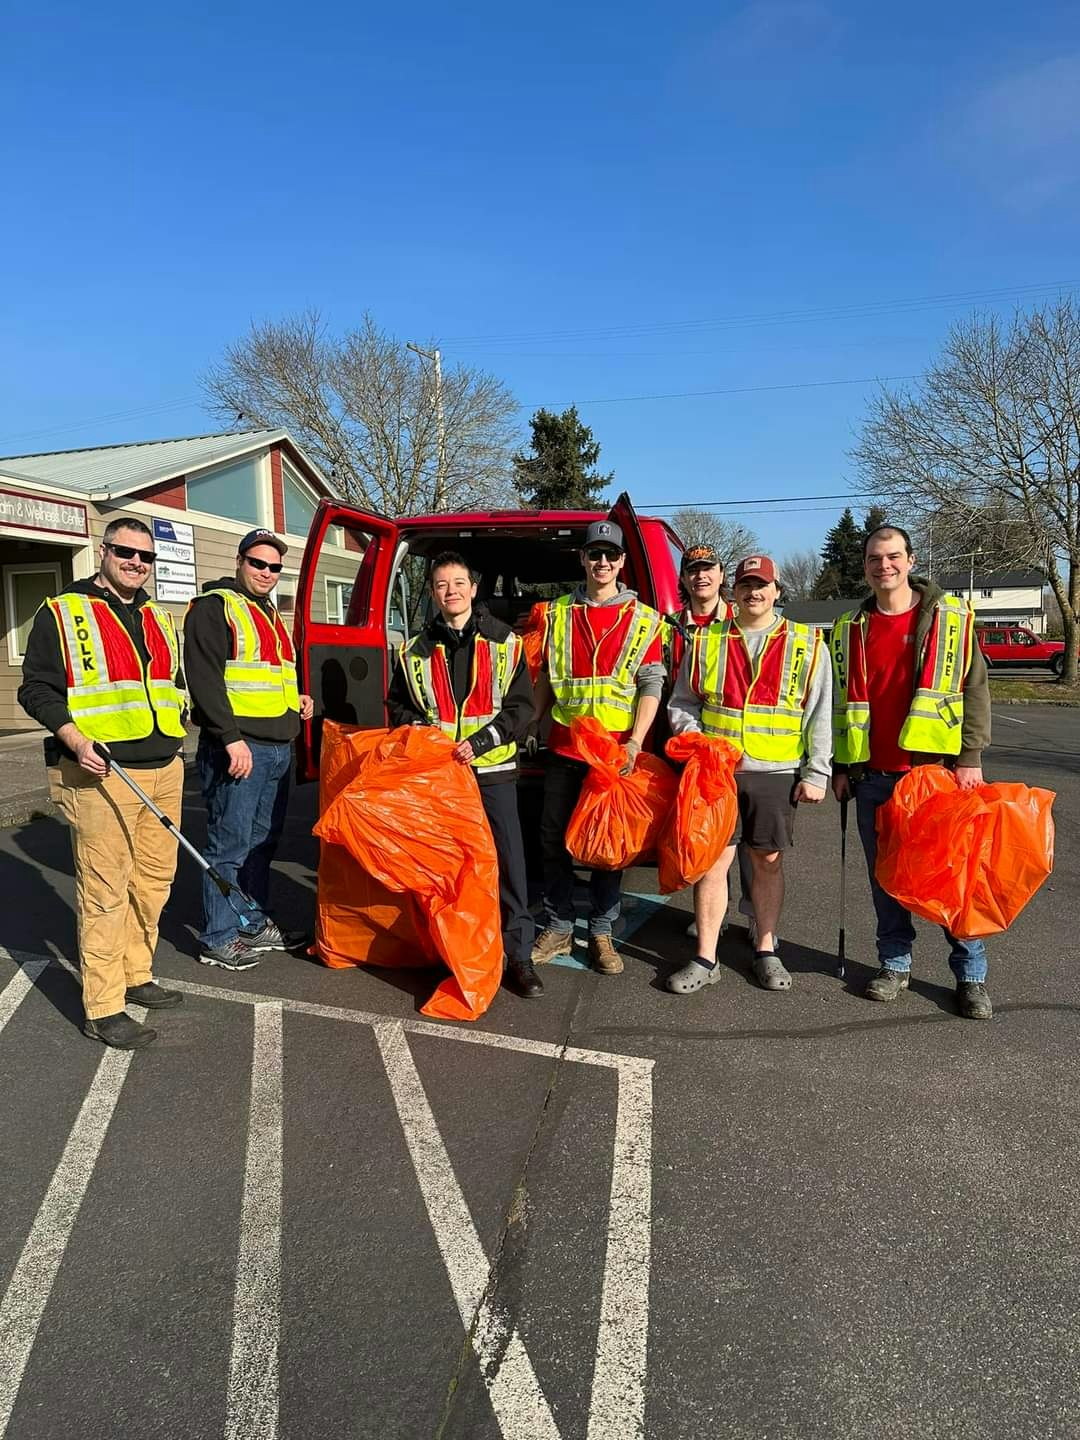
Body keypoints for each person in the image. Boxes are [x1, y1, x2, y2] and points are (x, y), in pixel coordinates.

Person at [17, 517, 186, 1048]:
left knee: (154, 883)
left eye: (145, 555)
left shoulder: (158, 615)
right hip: (101, 772)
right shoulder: (64, 612)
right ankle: (104, 1006)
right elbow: (36, 689)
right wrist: (75, 739)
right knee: (105, 890)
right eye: (125, 551)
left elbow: (171, 684)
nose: (136, 562)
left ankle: (137, 974)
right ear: (103, 551)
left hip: (165, 766)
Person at [830, 525, 993, 1020]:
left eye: (894, 556)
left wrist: (970, 758)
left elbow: (976, 689)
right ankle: (895, 965)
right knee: (886, 880)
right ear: (865, 566)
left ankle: (971, 977)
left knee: (949, 880)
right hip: (871, 776)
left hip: (934, 775)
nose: (885, 566)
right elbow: (841, 703)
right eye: (876, 559)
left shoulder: (949, 619)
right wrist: (842, 766)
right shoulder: (848, 628)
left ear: (911, 559)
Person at [667, 554, 831, 994]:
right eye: (745, 585)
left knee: (767, 864)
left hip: (775, 774)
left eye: (762, 585)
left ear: (777, 591)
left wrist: (817, 773)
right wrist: (696, 739)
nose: (753, 592)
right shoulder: (706, 641)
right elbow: (682, 703)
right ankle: (705, 957)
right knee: (712, 865)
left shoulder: (807, 643)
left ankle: (765, 949)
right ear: (732, 591)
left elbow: (819, 716)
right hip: (717, 774)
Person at [387, 551, 542, 999]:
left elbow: (521, 709)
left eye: (458, 583)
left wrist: (483, 740)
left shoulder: (505, 642)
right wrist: (417, 728)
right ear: (433, 593)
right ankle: (453, 955)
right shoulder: (413, 648)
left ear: (473, 589)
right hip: (440, 780)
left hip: (492, 772)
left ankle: (519, 958)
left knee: (508, 866)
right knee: (447, 871)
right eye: (441, 585)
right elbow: (398, 705)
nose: (451, 591)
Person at [530, 520, 665, 976]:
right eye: (594, 554)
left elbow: (651, 683)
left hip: (612, 756)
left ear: (622, 562)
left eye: (610, 555)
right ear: (582, 559)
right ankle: (559, 923)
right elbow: (550, 676)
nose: (602, 562)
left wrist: (634, 741)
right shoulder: (558, 613)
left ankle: (603, 931)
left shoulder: (643, 619)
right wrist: (532, 720)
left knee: (610, 845)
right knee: (553, 841)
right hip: (565, 748)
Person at [183, 529, 314, 970]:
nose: (267, 572)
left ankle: (251, 922)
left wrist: (295, 700)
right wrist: (230, 737)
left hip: (277, 746)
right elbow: (205, 680)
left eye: (274, 567)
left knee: (262, 842)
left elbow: (268, 674)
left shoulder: (269, 613)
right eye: (258, 563)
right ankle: (218, 936)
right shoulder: (214, 608)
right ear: (240, 561)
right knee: (230, 844)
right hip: (240, 749)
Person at [664, 542, 761, 947]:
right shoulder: (665, 625)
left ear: (723, 577)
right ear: (683, 578)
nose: (700, 576)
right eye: (693, 569)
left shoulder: (743, 623)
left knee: (753, 845)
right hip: (687, 745)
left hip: (740, 751)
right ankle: (711, 918)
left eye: (709, 568)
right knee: (706, 836)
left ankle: (756, 915)